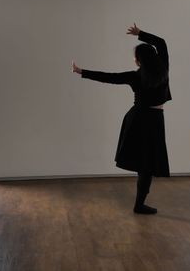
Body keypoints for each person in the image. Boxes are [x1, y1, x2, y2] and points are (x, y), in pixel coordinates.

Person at [72, 23, 171, 215]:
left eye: (135, 58)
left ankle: (139, 204)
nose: (134, 60)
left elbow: (109, 77)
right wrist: (140, 34)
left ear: (140, 61)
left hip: (141, 119)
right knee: (146, 165)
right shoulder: (163, 67)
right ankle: (139, 204)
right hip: (148, 119)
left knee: (146, 165)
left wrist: (81, 71)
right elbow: (162, 43)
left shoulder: (137, 76)